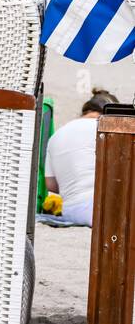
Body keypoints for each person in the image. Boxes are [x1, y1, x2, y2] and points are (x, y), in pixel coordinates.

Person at [45, 90, 118, 226]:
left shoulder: (56, 136)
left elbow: (51, 185)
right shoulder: (106, 129)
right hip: (101, 208)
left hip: (71, 212)